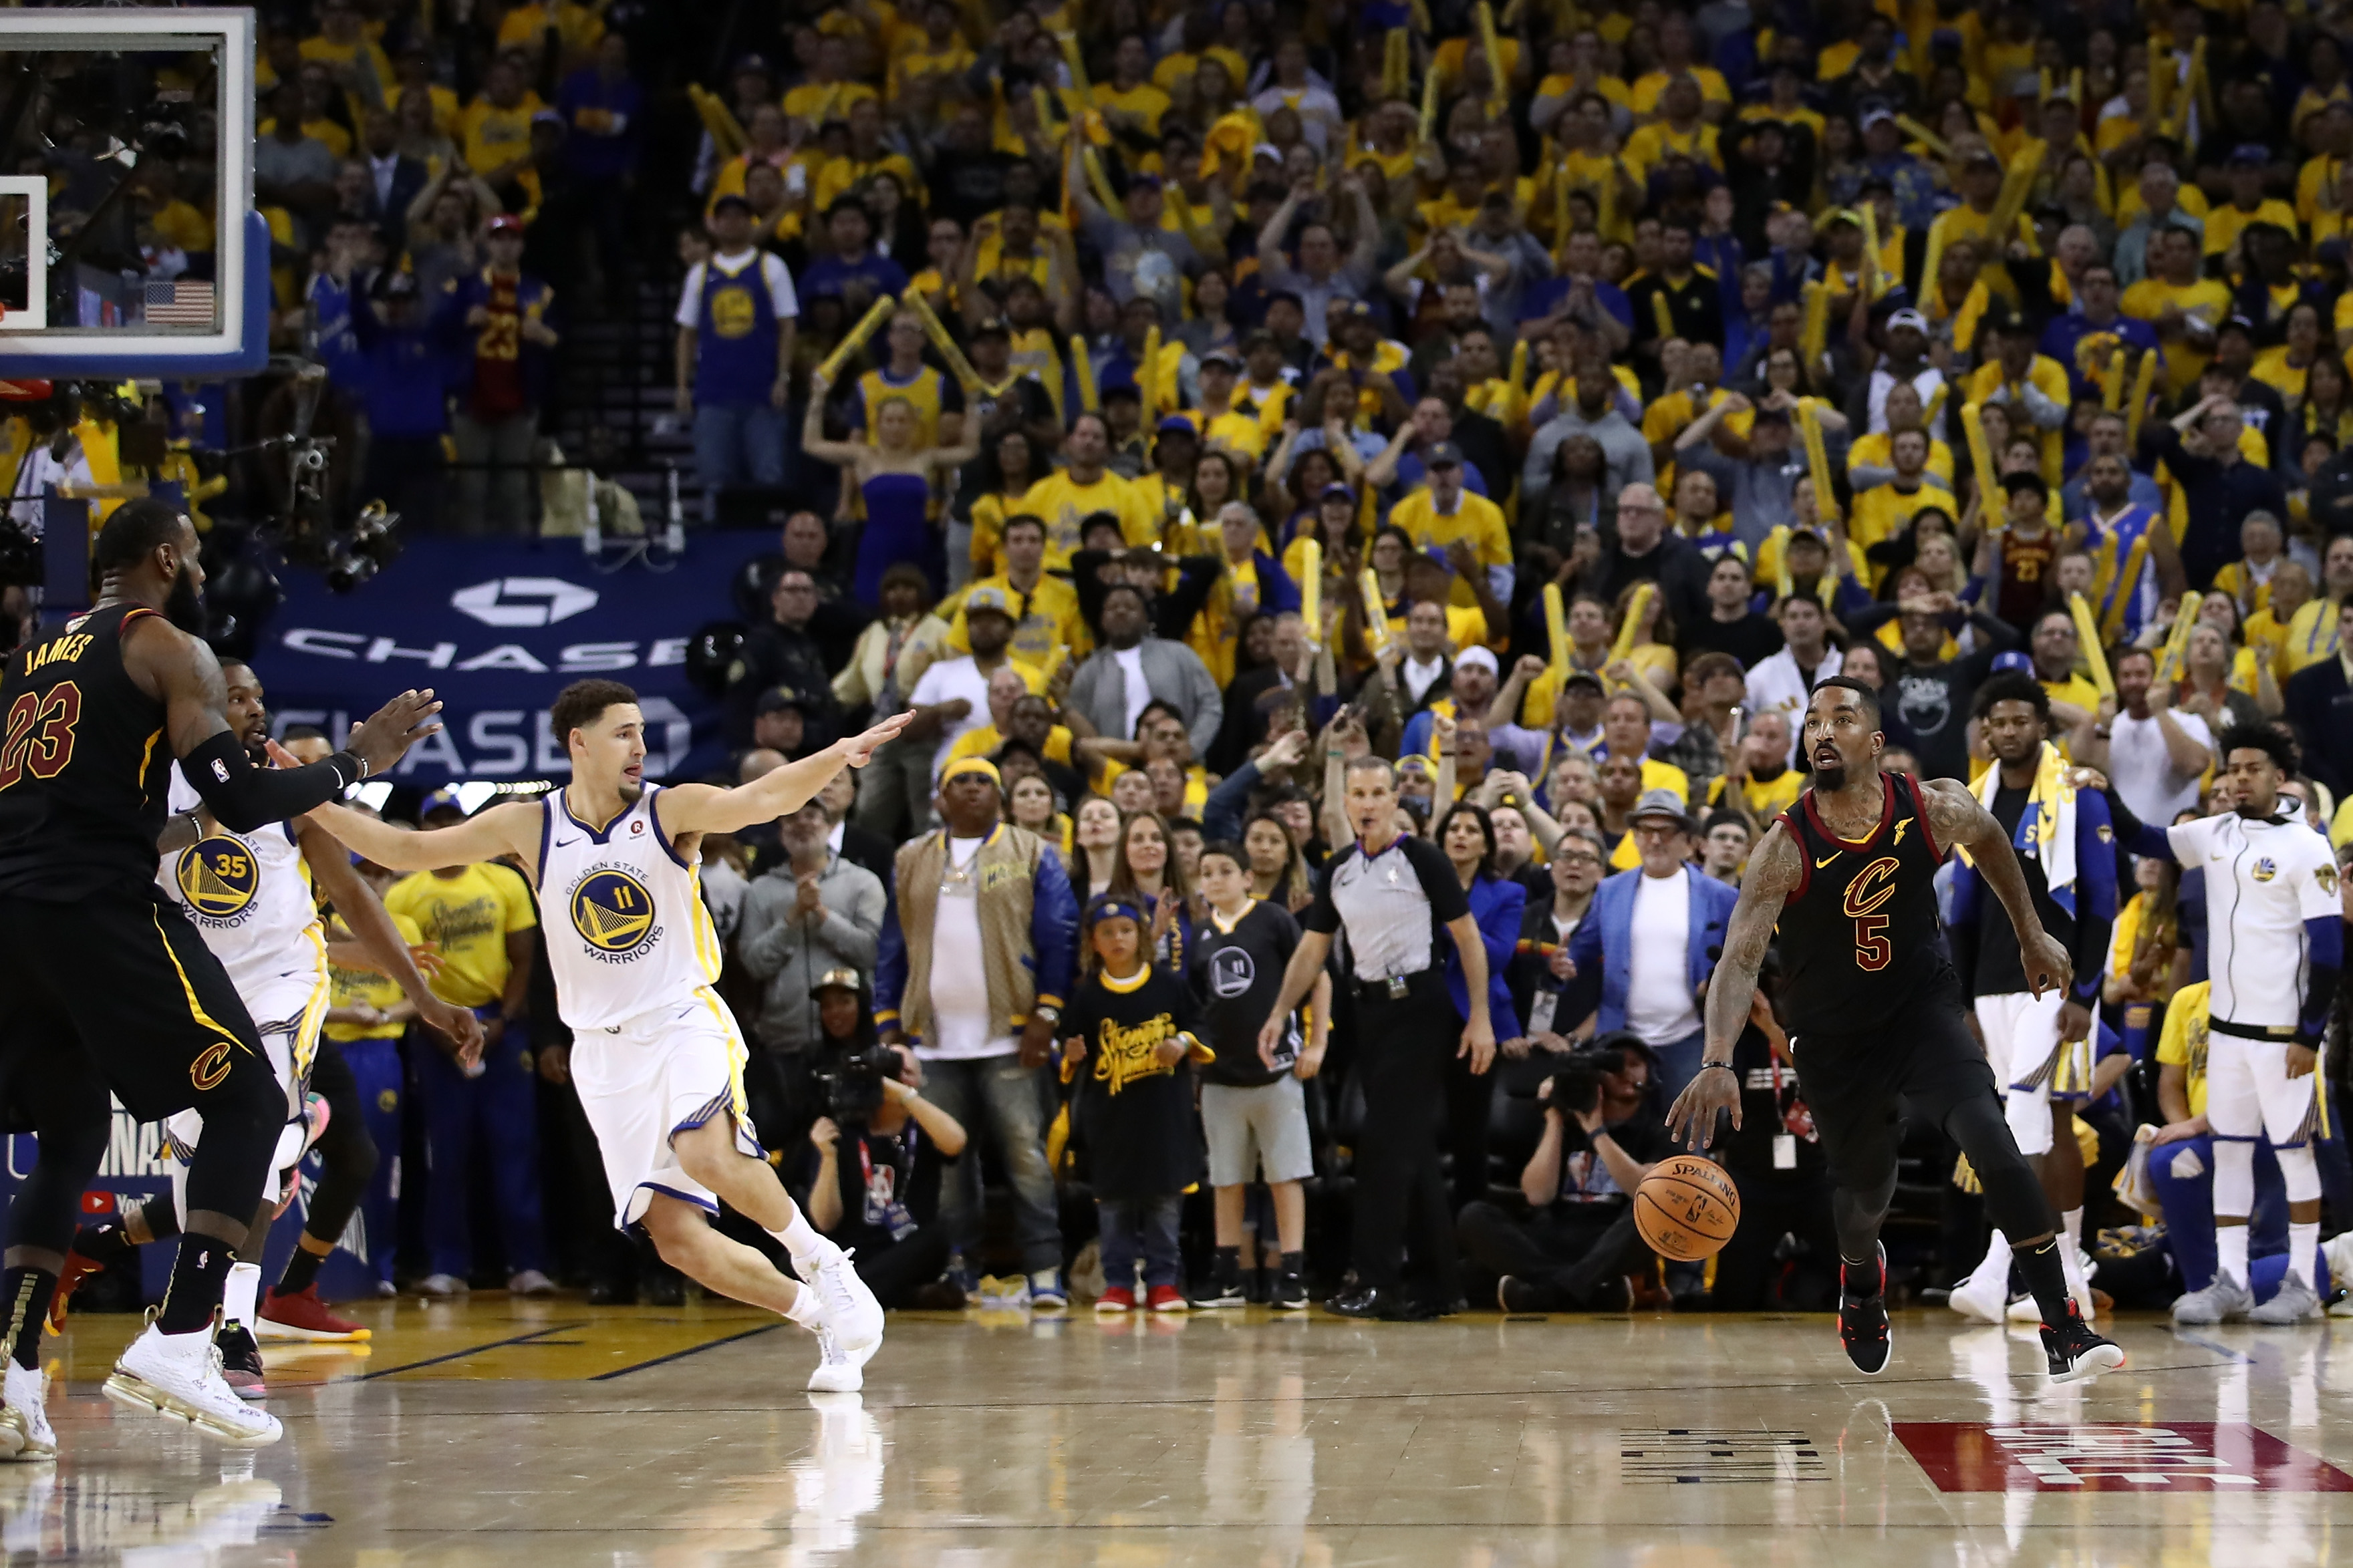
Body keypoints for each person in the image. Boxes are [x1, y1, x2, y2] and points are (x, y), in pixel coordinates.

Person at [298, 681, 909, 1393]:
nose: (640, 748)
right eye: (623, 733)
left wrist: (836, 753)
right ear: (578, 743)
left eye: (643, 733)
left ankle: (823, 1262)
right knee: (678, 1243)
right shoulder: (528, 825)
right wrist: (307, 795)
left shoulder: (668, 811)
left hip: (681, 1018)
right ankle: (823, 1320)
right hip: (601, 1050)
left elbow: (762, 800)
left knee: (704, 1151)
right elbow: (399, 849)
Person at [0, 498, 438, 1450]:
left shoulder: (28, 654)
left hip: (13, 913)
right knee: (253, 1103)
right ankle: (185, 1334)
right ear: (166, 557)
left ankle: (14, 1370)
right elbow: (239, 796)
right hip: (95, 899)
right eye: (194, 553)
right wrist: (358, 758)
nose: (201, 570)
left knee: (71, 1132)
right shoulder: (169, 646)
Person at [1666, 677, 2123, 1382]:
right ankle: (1860, 1281)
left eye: (1839, 719)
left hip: (1922, 1014)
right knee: (1864, 1197)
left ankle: (2062, 1325)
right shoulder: (1784, 845)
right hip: (1833, 1041)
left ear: (1873, 742)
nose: (1820, 730)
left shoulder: (1927, 807)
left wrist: (2030, 933)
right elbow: (1737, 960)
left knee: (1993, 1143)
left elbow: (1991, 837)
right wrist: (1717, 1056)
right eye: (1812, 720)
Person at [52, 674, 476, 1378]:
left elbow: (351, 900)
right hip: (193, 995)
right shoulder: (154, 788)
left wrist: (423, 997)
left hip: (283, 989)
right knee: (207, 1173)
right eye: (236, 698)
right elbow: (112, 862)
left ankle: (235, 1325)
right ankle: (158, 1285)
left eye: (256, 696)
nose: (256, 708)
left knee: (265, 1143)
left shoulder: (291, 794)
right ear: (194, 712)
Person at [2094, 727, 2343, 1323]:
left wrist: (2309, 1037)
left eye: (2251, 768)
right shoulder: (2215, 832)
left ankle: (2302, 1284)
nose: (2237, 779)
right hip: (2226, 1035)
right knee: (2228, 1154)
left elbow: (2330, 951)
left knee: (2293, 1156)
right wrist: (2105, 793)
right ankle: (2228, 1278)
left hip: (2285, 1037)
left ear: (2278, 777)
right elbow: (2145, 836)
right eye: (2230, 768)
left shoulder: (2308, 847)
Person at [1254, 755, 1496, 1319]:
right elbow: (1312, 949)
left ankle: (1377, 1280)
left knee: (1382, 1146)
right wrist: (1277, 1013)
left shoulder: (1422, 859)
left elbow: (1469, 941)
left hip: (1419, 1006)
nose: (1366, 803)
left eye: (1376, 793)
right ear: (1345, 802)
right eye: (1356, 793)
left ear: (1394, 801)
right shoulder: (1336, 867)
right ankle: (1439, 1285)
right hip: (1368, 1011)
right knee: (1407, 1148)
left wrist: (1479, 1016)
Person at [1944, 674, 2118, 1325]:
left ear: (2041, 727)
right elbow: (1960, 911)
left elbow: (2101, 902)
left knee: (2017, 1120)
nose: (2011, 730)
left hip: (2058, 985)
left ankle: (1996, 1271)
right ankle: (2067, 1268)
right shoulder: (1973, 800)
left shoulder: (2077, 797)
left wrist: (2088, 993)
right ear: (1985, 730)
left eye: (2022, 720)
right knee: (2047, 1125)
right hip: (1989, 986)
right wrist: (1961, 997)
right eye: (1999, 721)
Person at [873, 757, 1079, 1305]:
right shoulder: (911, 856)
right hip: (933, 1041)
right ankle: (959, 1270)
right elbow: (892, 945)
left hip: (1011, 1036)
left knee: (1026, 1158)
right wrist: (888, 1022)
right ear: (939, 799)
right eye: (958, 781)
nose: (970, 788)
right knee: (946, 1168)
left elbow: (1059, 934)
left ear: (1000, 796)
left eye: (982, 780)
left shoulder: (1031, 851)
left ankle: (1044, 1270)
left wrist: (1049, 1011)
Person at [383, 792, 552, 1300]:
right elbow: (398, 971)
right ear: (423, 829)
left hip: (500, 1026)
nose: (445, 828)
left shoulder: (503, 881)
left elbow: (524, 958)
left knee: (515, 1148)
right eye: (435, 821)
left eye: (452, 819)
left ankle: (528, 1262)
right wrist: (437, 1028)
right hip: (436, 1033)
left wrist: (503, 1018)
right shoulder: (403, 893)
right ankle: (447, 1264)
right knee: (446, 1154)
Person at [1188, 840, 1325, 1310]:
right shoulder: (1198, 935)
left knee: (1285, 1176)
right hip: (1219, 1076)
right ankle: (1228, 1273)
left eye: (1225, 869)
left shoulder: (1272, 921)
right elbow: (1193, 1006)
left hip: (1276, 1071)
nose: (1214, 878)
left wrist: (1317, 1042)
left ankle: (1292, 1273)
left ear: (1247, 877)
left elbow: (1318, 976)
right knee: (1226, 1178)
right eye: (1206, 871)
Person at [1060, 896, 1212, 1313]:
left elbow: (1199, 1023)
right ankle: (1119, 1283)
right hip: (1111, 1120)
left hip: (1165, 1117)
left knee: (1165, 1203)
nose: (1118, 939)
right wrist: (1070, 1055)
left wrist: (1181, 1043)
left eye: (1126, 931)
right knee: (1114, 1206)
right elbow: (1072, 1048)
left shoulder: (1168, 985)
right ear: (1094, 942)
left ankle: (1164, 1282)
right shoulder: (1088, 996)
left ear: (1142, 937)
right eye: (1107, 933)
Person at [1456, 1038, 1673, 1311]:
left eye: (1635, 1064)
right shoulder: (1566, 1126)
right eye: (1614, 1064)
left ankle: (1544, 1294)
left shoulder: (1657, 1131)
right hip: (1553, 1238)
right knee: (1473, 1216)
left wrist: (1597, 1132)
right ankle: (1585, 1291)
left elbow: (1644, 1190)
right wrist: (1554, 1120)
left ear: (1649, 1073)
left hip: (1609, 1244)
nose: (1625, 1072)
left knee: (1654, 1214)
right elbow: (1537, 1196)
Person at [801, 970, 969, 1309]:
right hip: (855, 1251)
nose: (897, 1081)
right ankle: (888, 1296)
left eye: (906, 1074)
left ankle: (845, 1299)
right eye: (890, 1074)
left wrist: (905, 1097)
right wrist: (828, 1157)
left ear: (918, 1084)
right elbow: (824, 1221)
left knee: (939, 1237)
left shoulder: (924, 1129)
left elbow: (957, 1142)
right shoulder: (847, 1130)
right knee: (811, 1248)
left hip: (908, 1249)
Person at [1558, 790, 1737, 1104]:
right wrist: (1566, 963)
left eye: (1665, 831)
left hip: (1691, 1035)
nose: (1655, 840)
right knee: (1620, 1134)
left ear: (1687, 840)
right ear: (1635, 838)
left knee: (1689, 1136)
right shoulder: (1610, 891)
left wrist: (1718, 983)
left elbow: (1742, 961)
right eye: (1646, 831)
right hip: (1622, 1036)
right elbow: (1581, 950)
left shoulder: (1719, 897)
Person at [804, 369, 983, 605]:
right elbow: (812, 444)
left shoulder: (925, 458)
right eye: (889, 420)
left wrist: (972, 403)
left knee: (918, 606)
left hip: (917, 544)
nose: (896, 427)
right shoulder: (864, 456)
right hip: (877, 547)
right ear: (878, 425)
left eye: (902, 421)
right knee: (871, 607)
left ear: (912, 425)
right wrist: (817, 398)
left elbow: (970, 449)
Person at [674, 194, 799, 511]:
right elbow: (687, 334)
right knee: (714, 479)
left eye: (738, 216)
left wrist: (783, 377)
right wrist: (682, 386)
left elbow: (787, 326)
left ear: (750, 221)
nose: (732, 222)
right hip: (714, 393)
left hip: (762, 391)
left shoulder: (772, 266)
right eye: (725, 216)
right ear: (715, 224)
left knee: (768, 476)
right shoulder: (700, 274)